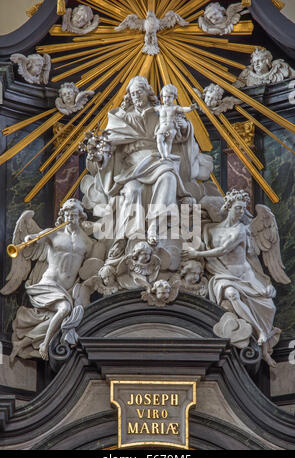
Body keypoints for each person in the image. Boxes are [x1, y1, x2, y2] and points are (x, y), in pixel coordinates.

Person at [81, 76, 214, 250]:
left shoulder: (160, 112)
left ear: (147, 93)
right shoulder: (120, 118)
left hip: (158, 159)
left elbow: (178, 135)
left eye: (139, 91)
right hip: (131, 167)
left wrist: (184, 126)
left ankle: (154, 224)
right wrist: (99, 158)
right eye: (133, 93)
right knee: (132, 189)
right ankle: (129, 237)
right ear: (129, 96)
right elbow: (107, 149)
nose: (136, 96)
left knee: (168, 177)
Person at [182, 189, 282, 367]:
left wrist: (197, 252)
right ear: (228, 207)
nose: (241, 212)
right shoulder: (209, 229)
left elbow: (223, 249)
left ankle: (263, 342)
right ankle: (260, 331)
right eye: (238, 208)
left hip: (245, 276)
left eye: (243, 209)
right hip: (222, 274)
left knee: (268, 306)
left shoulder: (241, 230)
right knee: (231, 294)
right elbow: (190, 231)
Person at [8, 199, 103, 361]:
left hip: (67, 290)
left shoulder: (87, 243)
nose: (69, 217)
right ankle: (45, 345)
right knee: (65, 309)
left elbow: (88, 269)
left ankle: (22, 343)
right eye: (66, 213)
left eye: (73, 214)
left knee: (61, 317)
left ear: (80, 217)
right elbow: (34, 239)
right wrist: (29, 239)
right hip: (47, 285)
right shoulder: (52, 234)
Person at [154, 84, 197, 160]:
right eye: (164, 97)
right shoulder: (160, 108)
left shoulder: (175, 108)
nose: (166, 99)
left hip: (171, 130)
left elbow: (183, 109)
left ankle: (167, 154)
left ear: (174, 97)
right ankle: (163, 156)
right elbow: (151, 109)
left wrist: (190, 108)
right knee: (159, 139)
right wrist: (145, 111)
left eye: (169, 97)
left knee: (168, 143)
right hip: (162, 129)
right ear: (161, 96)